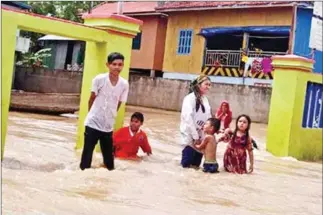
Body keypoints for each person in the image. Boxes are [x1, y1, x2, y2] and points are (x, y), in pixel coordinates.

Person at [79, 52, 129, 171]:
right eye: (114, 64)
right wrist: (92, 114)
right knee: (87, 156)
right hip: (93, 123)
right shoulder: (99, 79)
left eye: (120, 64)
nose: (117, 67)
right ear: (108, 65)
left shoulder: (124, 84)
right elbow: (92, 98)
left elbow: (119, 103)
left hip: (108, 126)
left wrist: (111, 115)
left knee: (109, 161)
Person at [180, 75, 212, 168]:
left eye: (210, 85)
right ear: (198, 85)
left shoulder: (205, 99)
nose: (208, 87)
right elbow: (188, 118)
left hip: (201, 138)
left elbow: (208, 118)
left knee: (196, 166)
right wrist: (195, 136)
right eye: (206, 84)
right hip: (190, 137)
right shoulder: (189, 98)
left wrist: (214, 130)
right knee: (186, 165)